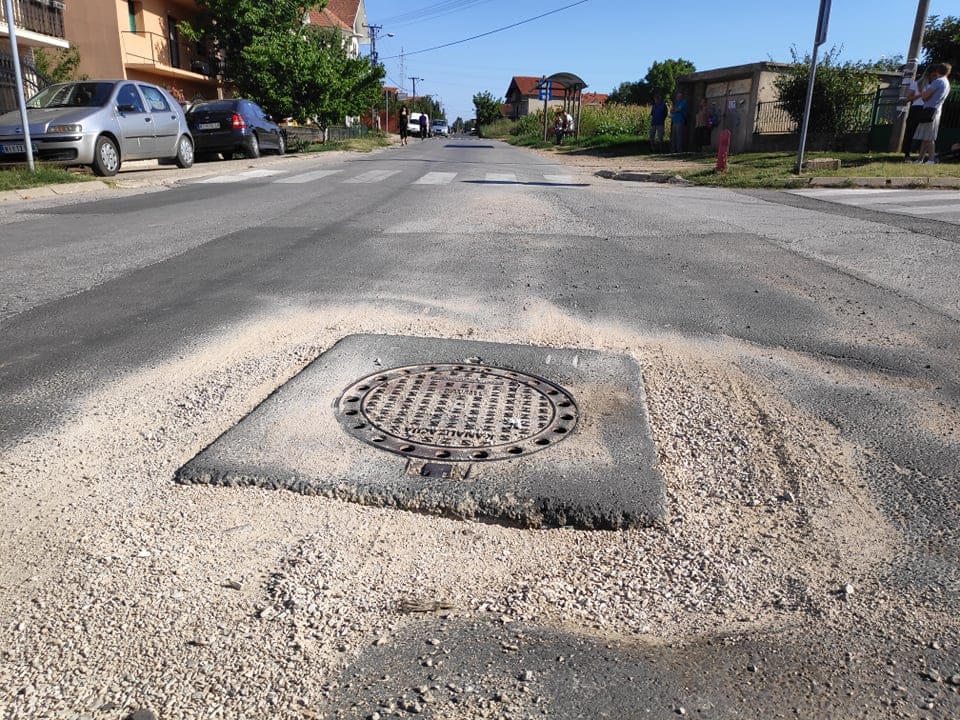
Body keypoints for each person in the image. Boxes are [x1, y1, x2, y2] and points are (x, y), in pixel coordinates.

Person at [908, 62, 952, 164]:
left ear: (937, 71)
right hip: (936, 110)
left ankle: (931, 159)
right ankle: (920, 159)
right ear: (948, 72)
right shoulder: (946, 82)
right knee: (926, 136)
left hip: (930, 109)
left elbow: (925, 96)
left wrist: (923, 94)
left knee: (929, 136)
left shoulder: (938, 81)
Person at [901, 71, 927, 161]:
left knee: (926, 133)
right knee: (910, 132)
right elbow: (908, 98)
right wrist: (920, 95)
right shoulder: (916, 84)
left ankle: (921, 155)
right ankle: (907, 154)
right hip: (916, 108)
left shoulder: (933, 85)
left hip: (927, 109)